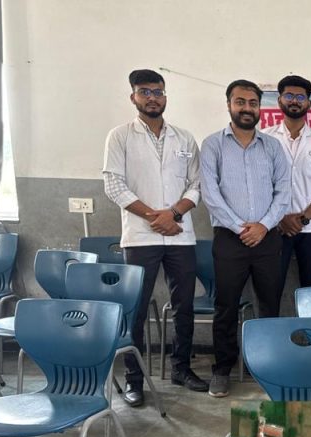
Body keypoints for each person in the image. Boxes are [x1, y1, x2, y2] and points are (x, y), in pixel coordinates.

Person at [102, 68, 207, 407]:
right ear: (133, 96)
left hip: (179, 236)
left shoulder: (185, 138)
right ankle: (134, 380)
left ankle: (181, 368)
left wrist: (173, 214)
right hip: (140, 237)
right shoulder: (120, 136)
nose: (152, 98)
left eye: (157, 92)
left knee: (184, 306)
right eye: (144, 92)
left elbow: (196, 185)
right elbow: (114, 185)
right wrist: (155, 216)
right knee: (136, 310)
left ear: (165, 96)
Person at [200, 79, 291, 397]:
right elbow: (210, 194)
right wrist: (241, 227)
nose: (247, 108)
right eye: (240, 102)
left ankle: (268, 366)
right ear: (229, 105)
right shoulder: (213, 145)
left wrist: (263, 226)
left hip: (268, 238)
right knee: (225, 306)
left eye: (253, 103)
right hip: (229, 238)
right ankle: (222, 369)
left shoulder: (273, 147)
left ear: (259, 108)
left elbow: (284, 192)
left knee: (269, 304)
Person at [263, 75, 311, 304]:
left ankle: (310, 329)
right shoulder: (265, 138)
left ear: (308, 103)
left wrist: (303, 218)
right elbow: (257, 184)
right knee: (270, 287)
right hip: (273, 226)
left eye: (300, 97)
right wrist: (279, 218)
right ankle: (269, 329)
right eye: (289, 96)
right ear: (279, 100)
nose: (294, 101)